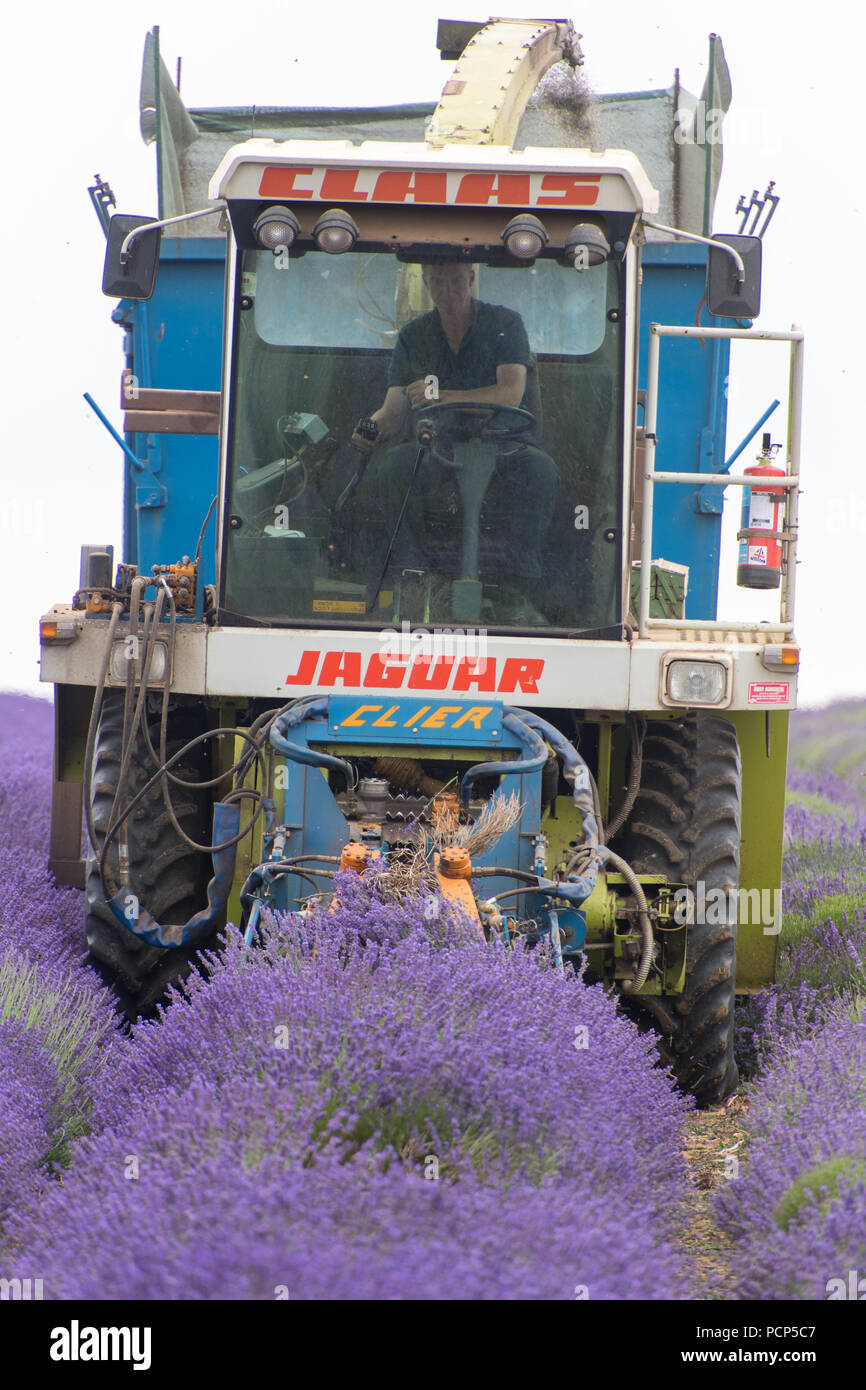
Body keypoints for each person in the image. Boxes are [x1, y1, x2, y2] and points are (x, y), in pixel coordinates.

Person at [351, 262, 557, 617]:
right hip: (437, 446)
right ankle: (414, 576)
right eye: (439, 282)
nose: (448, 290)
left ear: (472, 279)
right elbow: (394, 410)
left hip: (504, 444)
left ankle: (518, 583)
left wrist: (442, 397)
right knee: (395, 467)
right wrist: (369, 428)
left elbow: (510, 393)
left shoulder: (505, 325)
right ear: (427, 283)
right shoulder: (413, 336)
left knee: (540, 470)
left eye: (457, 281)